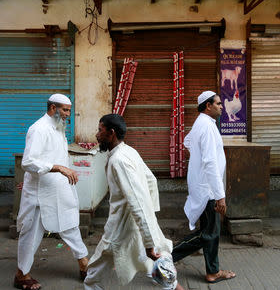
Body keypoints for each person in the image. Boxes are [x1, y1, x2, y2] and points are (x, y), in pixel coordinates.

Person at [84, 114, 184, 290]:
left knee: (95, 269)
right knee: (151, 263)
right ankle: (174, 286)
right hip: (136, 223)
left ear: (111, 133)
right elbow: (151, 181)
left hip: (122, 225)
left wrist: (148, 235)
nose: (97, 135)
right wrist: (149, 221)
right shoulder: (128, 151)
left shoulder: (118, 160)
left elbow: (137, 201)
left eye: (100, 130)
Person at [14, 93, 89, 290]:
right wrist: (59, 168)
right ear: (53, 108)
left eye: (69, 111)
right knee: (31, 234)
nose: (67, 114)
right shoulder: (38, 129)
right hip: (40, 194)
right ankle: (22, 275)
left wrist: (64, 169)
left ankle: (84, 264)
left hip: (59, 189)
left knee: (70, 225)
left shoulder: (58, 129)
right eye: (65, 110)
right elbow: (28, 162)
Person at [171, 91, 236, 284]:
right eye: (218, 104)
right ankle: (168, 257)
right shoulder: (206, 127)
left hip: (203, 186)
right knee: (209, 233)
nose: (221, 106)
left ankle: (212, 271)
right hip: (208, 189)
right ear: (208, 106)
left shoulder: (203, 123)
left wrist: (196, 157)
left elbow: (188, 142)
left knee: (209, 232)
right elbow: (210, 162)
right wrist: (220, 196)